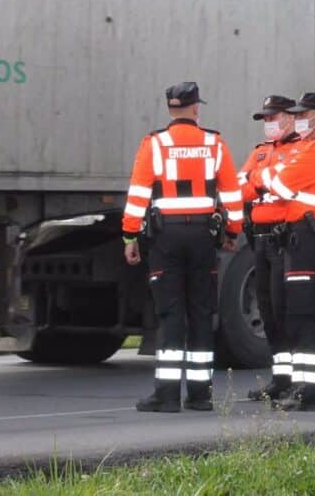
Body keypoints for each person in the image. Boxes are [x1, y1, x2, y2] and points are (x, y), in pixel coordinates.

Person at [122, 81, 243, 413]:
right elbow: (232, 194)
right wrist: (232, 231)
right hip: (203, 237)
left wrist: (130, 236)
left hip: (166, 239)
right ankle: (201, 395)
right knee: (202, 312)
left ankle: (167, 394)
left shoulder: (154, 143)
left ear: (169, 109)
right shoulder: (214, 143)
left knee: (170, 314)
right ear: (195, 108)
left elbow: (138, 194)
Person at [249, 92, 315, 411]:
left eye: (302, 114)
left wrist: (261, 176)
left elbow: (278, 185)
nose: (299, 120)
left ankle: (307, 390)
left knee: (303, 314)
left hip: (307, 236)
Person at [238, 95, 302, 402]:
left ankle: (295, 380)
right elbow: (242, 187)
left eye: (272, 118)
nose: (268, 124)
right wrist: (262, 181)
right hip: (259, 240)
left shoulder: (300, 150)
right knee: (268, 312)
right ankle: (280, 378)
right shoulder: (261, 152)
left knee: (284, 308)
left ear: (290, 117)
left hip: (284, 240)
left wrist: (259, 180)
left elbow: (284, 187)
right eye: (265, 120)